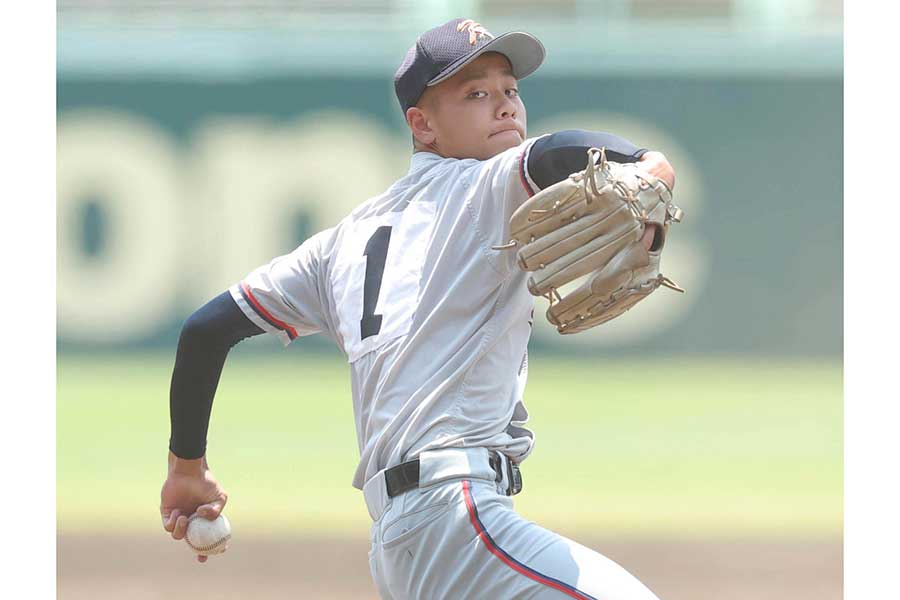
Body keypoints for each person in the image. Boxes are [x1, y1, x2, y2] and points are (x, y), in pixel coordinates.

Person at [160, 17, 674, 599]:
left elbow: (205, 330)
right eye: (475, 93)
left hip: (404, 540)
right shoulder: (482, 187)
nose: (505, 106)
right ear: (422, 124)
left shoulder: (336, 246)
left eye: (510, 89)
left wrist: (186, 469)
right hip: (458, 520)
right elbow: (555, 152)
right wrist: (649, 162)